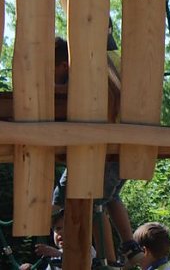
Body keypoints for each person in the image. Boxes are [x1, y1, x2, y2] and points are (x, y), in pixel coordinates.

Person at [51, 37, 144, 268]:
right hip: (109, 148)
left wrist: (50, 88)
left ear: (63, 65)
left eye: (49, 70)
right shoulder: (104, 62)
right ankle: (127, 246)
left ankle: (109, 260)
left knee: (95, 203)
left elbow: (76, 96)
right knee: (98, 198)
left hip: (109, 147)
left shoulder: (85, 71)